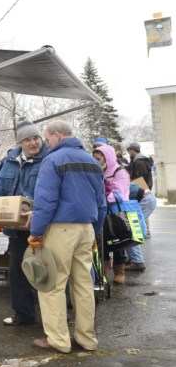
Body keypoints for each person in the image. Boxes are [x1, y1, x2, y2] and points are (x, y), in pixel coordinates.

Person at [30, 120, 106, 353]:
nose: (46, 143)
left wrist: (35, 233)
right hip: (86, 228)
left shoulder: (52, 160)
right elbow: (101, 203)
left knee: (52, 284)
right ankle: (86, 339)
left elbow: (46, 201)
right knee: (83, 284)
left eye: (47, 138)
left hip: (60, 228)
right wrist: (96, 231)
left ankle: (58, 340)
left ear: (57, 136)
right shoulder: (92, 162)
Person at [0, 116, 48, 326]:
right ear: (20, 143)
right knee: (18, 273)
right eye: (27, 139)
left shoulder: (49, 159)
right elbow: (0, 188)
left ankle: (55, 318)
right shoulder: (10, 161)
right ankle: (24, 315)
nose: (33, 143)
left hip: (43, 225)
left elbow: (51, 192)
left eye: (36, 138)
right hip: (18, 229)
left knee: (49, 271)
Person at [92, 144, 130, 284]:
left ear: (107, 158)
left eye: (98, 158)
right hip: (101, 211)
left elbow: (120, 192)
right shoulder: (97, 171)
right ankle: (104, 272)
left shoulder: (120, 171)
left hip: (115, 211)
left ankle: (119, 271)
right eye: (94, 158)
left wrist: (104, 198)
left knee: (118, 241)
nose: (96, 161)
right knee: (103, 243)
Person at [125, 182, 157, 271]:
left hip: (145, 200)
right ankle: (134, 259)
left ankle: (137, 261)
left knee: (130, 230)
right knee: (130, 229)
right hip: (146, 198)